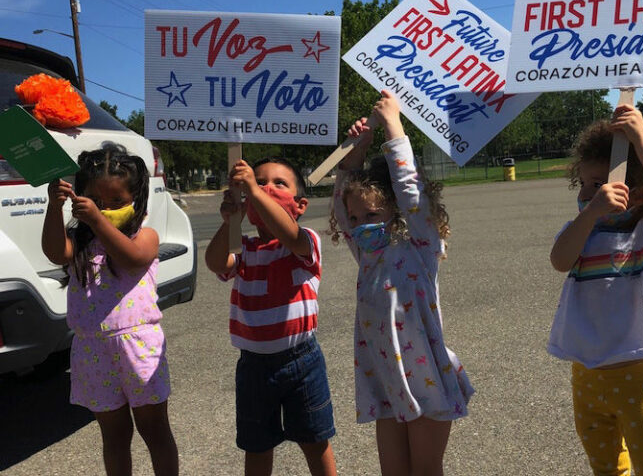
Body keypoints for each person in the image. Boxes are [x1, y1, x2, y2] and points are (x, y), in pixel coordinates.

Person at [329, 90, 474, 476]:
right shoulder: (367, 256)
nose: (361, 225)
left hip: (425, 380)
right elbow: (341, 211)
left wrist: (394, 127)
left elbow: (412, 195)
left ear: (393, 209)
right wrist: (356, 152)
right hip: (386, 382)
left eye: (372, 213)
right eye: (356, 217)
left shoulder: (420, 247)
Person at [548, 104, 643, 476]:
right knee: (606, 467)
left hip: (637, 375)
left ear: (640, 192)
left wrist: (640, 138)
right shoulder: (581, 231)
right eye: (583, 184)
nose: (588, 193)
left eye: (599, 185)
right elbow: (560, 260)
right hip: (586, 374)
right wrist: (590, 213)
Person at [42, 143, 178, 476]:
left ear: (137, 199)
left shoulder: (145, 235)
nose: (104, 209)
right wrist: (52, 206)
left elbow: (132, 259)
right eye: (97, 201)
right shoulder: (82, 244)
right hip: (91, 348)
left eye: (116, 201)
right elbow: (55, 252)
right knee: (114, 434)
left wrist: (100, 221)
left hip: (137, 346)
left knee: (154, 429)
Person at [204, 156, 336, 476]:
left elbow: (291, 237)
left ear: (300, 204)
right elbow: (216, 263)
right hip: (253, 366)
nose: (266, 187)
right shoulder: (245, 249)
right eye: (260, 181)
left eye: (279, 183)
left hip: (302, 361)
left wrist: (252, 189)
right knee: (257, 444)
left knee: (315, 439)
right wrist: (229, 222)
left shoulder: (305, 243)